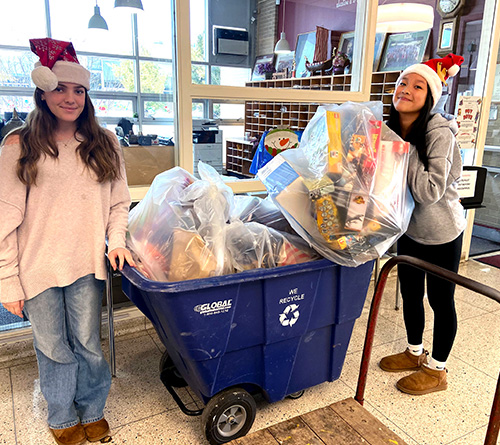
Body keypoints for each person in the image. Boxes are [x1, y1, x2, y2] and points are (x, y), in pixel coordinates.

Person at [0, 38, 136, 445]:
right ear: (43, 92)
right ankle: (61, 418)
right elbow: (4, 221)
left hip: (86, 266)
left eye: (79, 90)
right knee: (53, 349)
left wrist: (116, 241)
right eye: (60, 88)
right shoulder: (18, 146)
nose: (70, 98)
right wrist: (7, 281)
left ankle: (92, 409)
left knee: (89, 345)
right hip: (37, 267)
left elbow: (118, 202)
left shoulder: (105, 142)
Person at [378, 53, 466, 395]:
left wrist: (403, 149)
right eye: (402, 83)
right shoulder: (391, 128)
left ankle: (438, 370)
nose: (406, 89)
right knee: (410, 293)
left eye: (417, 86)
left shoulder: (436, 132)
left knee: (440, 300)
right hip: (409, 228)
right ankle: (415, 352)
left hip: (441, 231)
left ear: (430, 97)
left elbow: (429, 191)